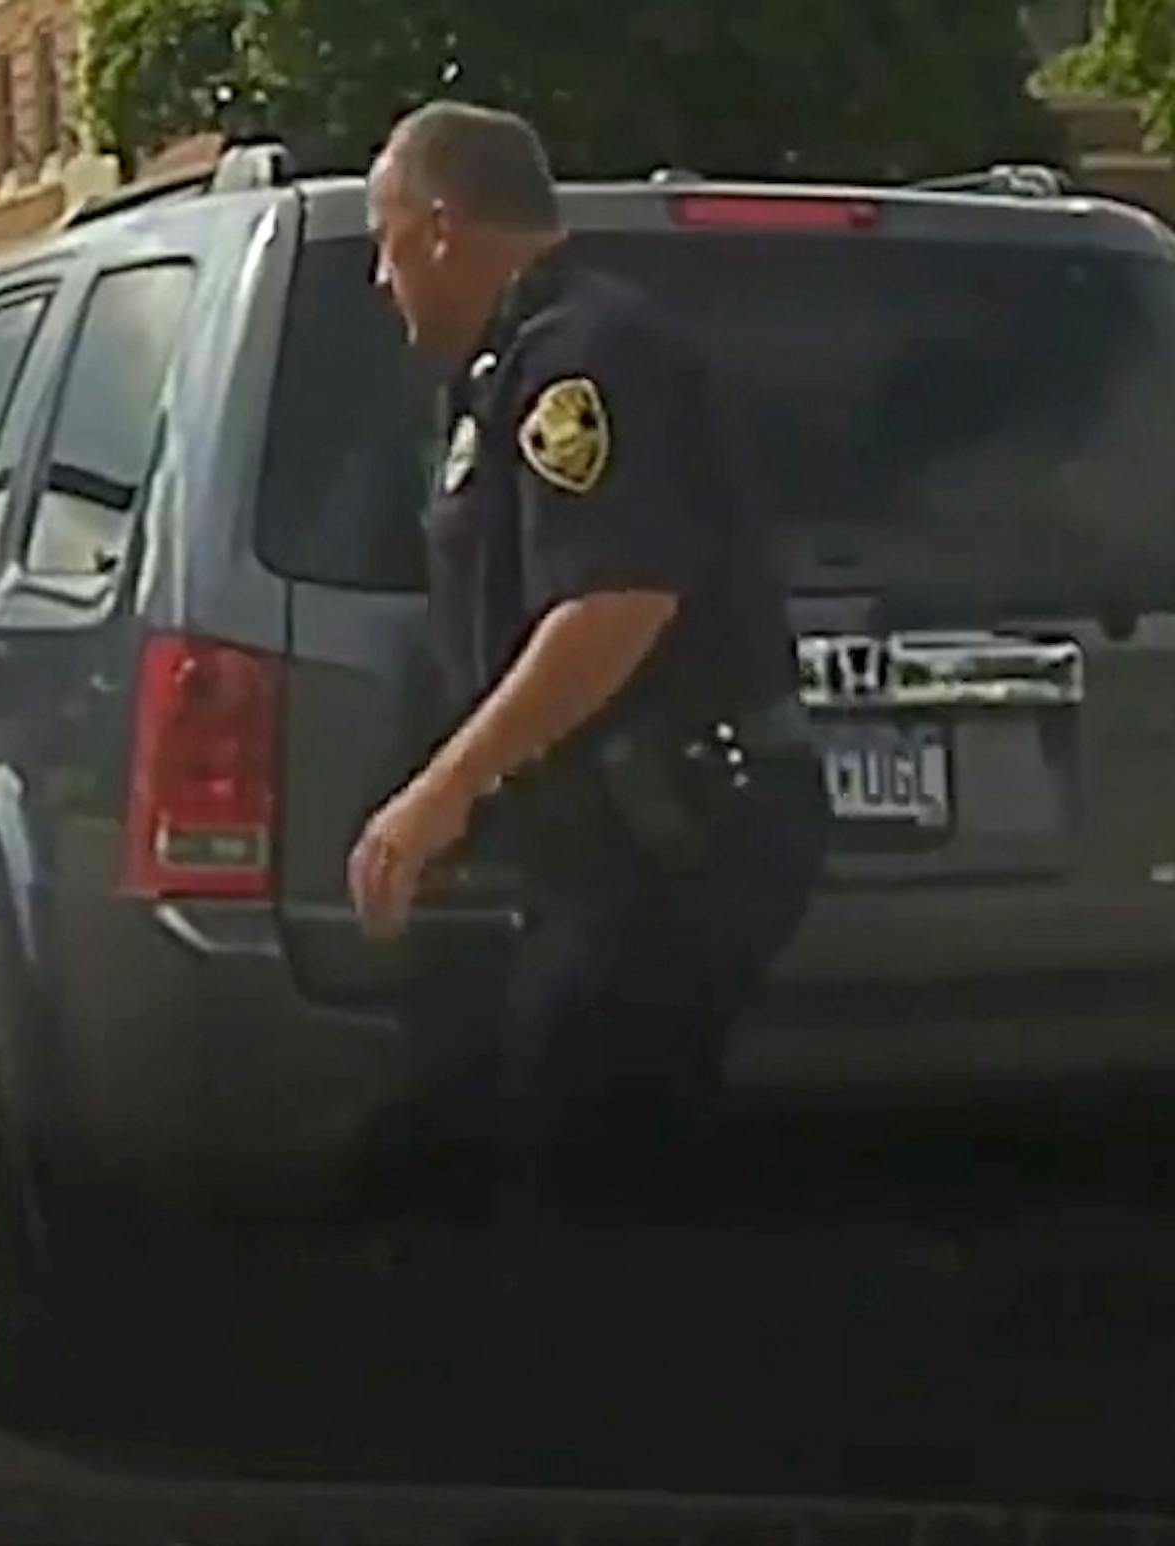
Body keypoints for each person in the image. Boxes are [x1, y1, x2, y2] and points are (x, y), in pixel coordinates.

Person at [348, 102, 829, 1232]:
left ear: (441, 227)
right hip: (618, 838)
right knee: (569, 1128)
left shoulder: (583, 360)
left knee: (599, 1161)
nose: (381, 276)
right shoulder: (513, 366)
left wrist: (441, 792)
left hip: (681, 834)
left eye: (386, 239)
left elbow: (616, 602)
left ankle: (624, 1389)